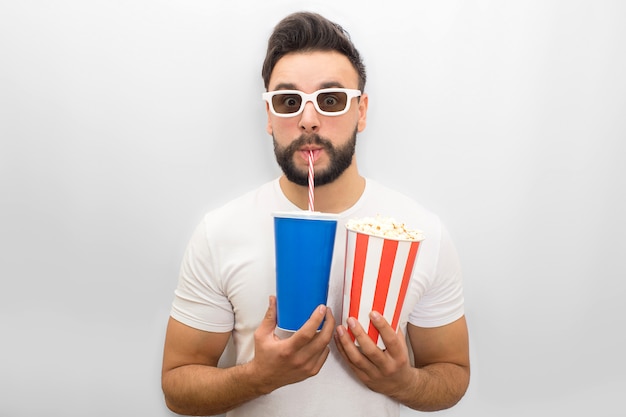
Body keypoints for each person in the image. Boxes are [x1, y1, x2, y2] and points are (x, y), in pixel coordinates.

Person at [161, 11, 469, 417]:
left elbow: (453, 373)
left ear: (361, 111)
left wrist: (404, 383)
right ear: (270, 117)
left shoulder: (421, 232)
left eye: (331, 99)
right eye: (289, 102)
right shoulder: (219, 232)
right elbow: (177, 386)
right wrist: (258, 376)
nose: (308, 119)